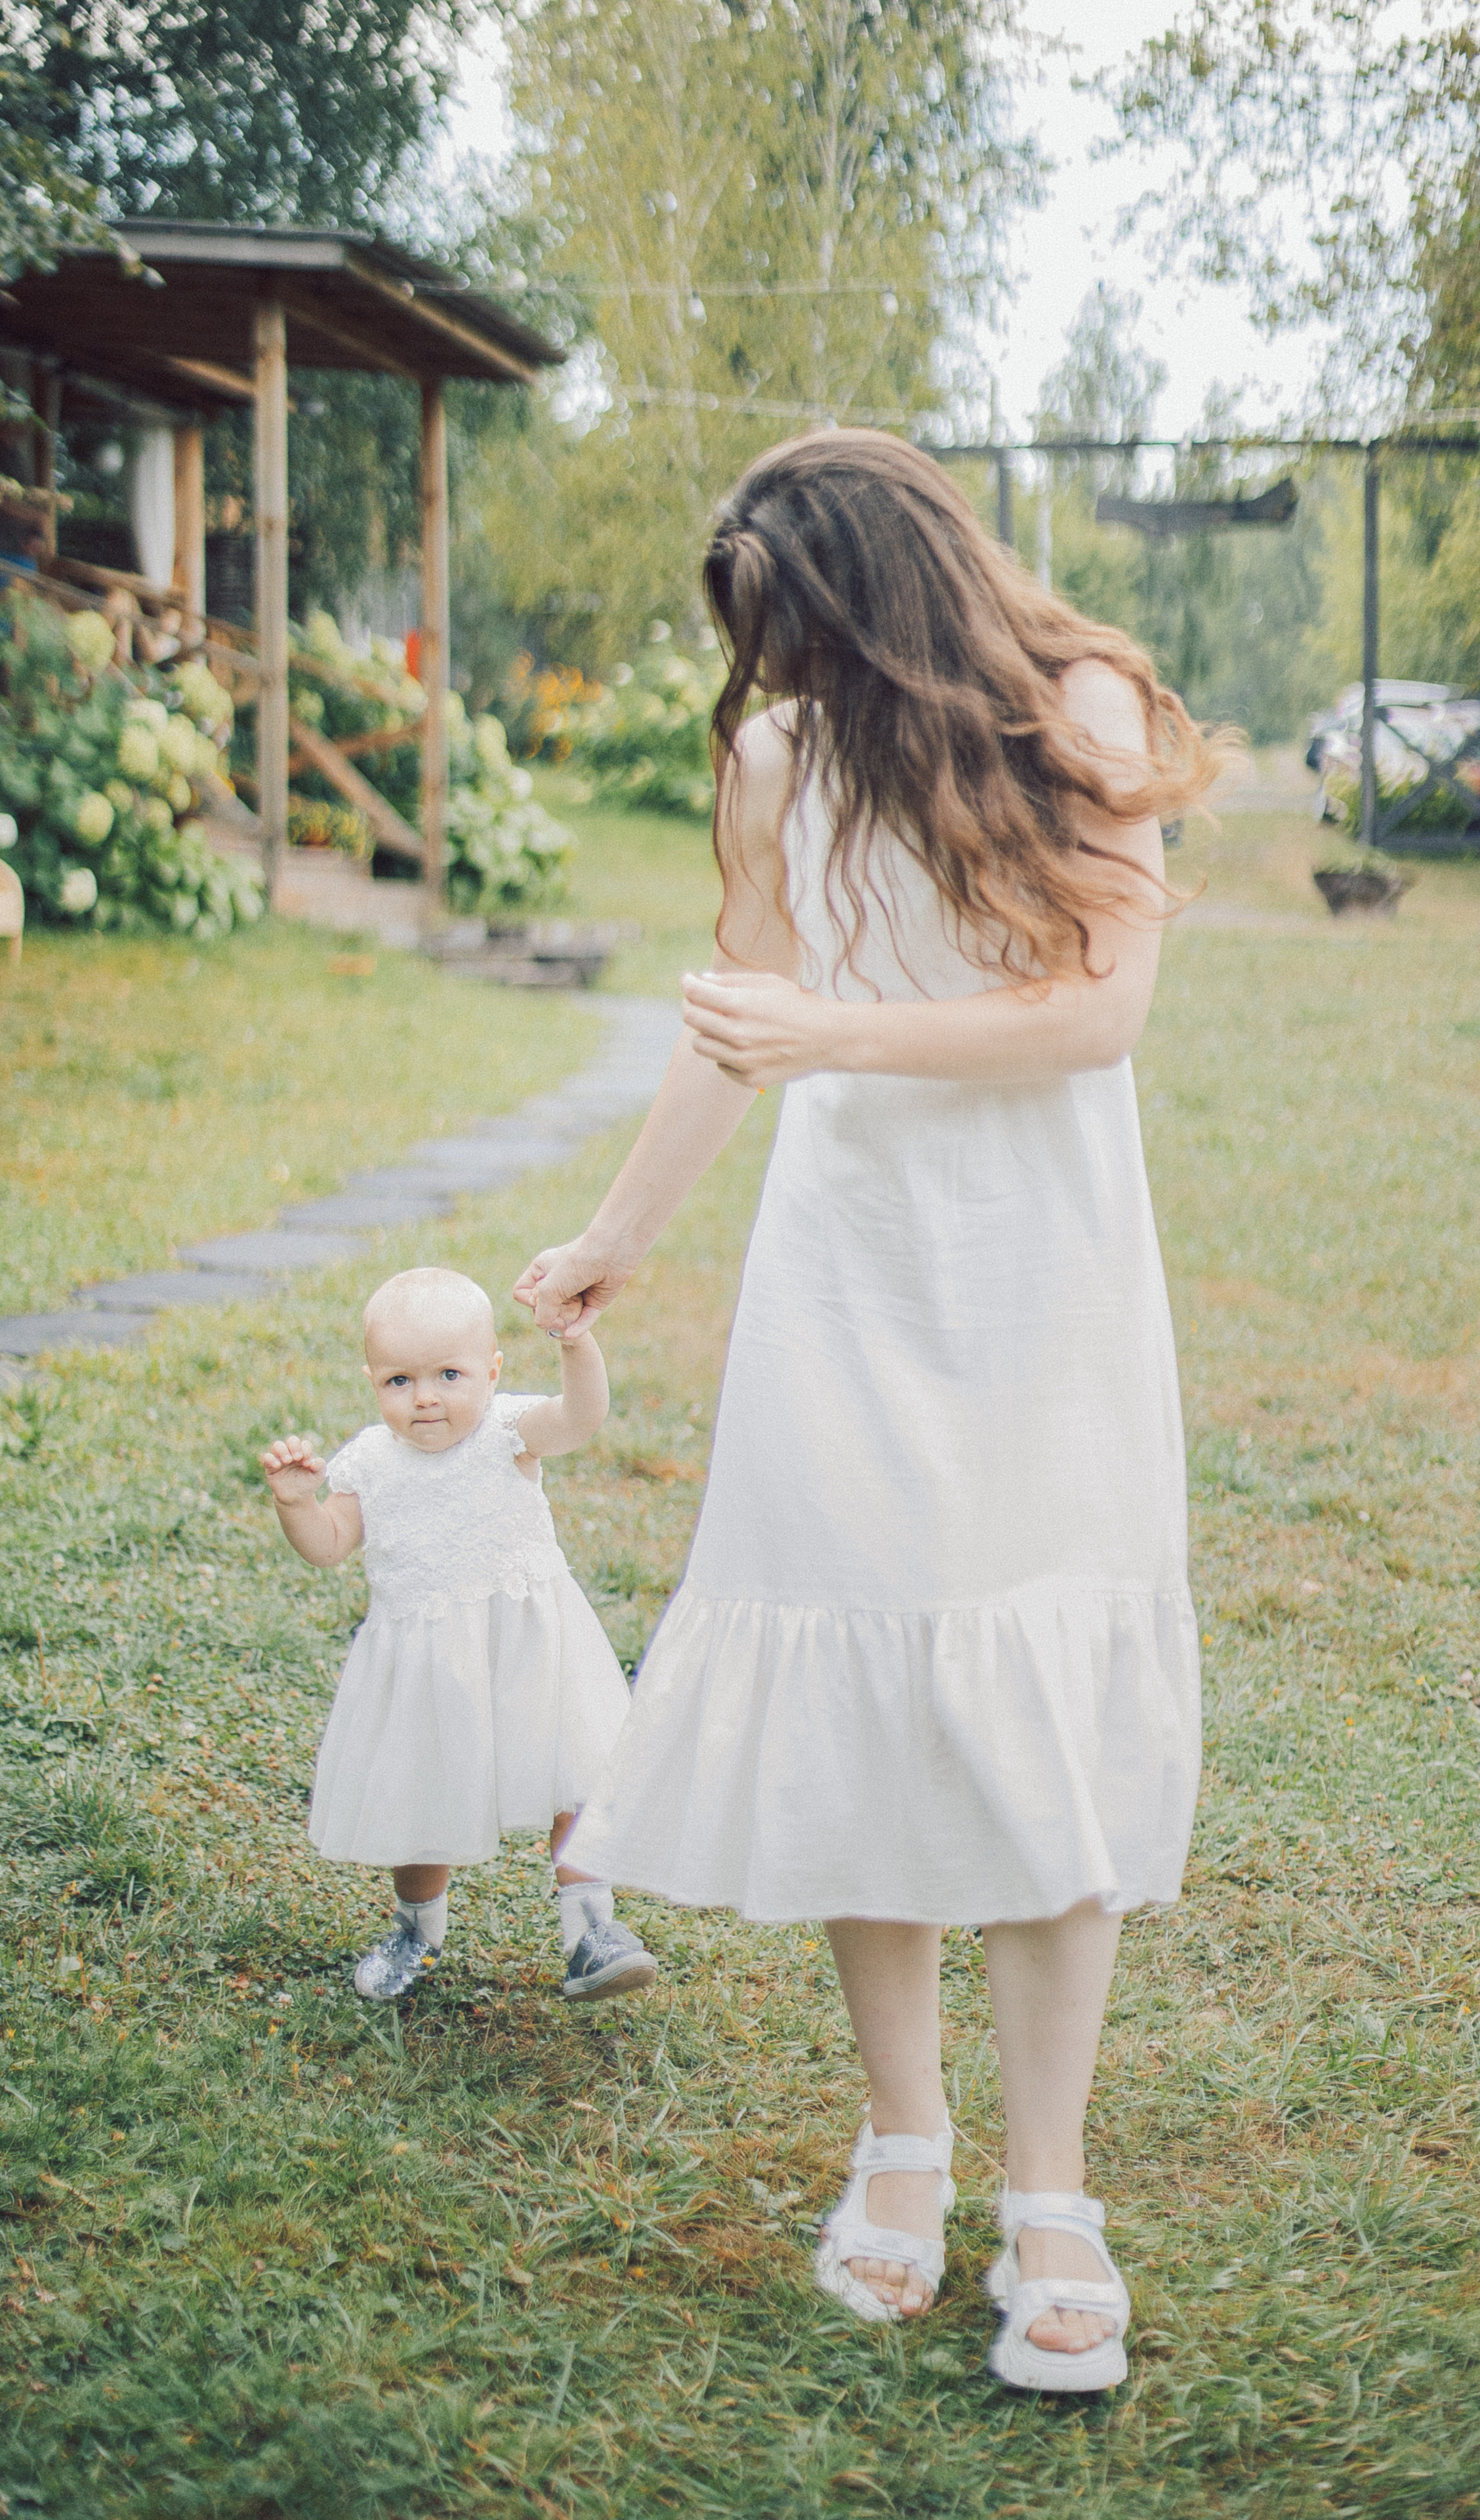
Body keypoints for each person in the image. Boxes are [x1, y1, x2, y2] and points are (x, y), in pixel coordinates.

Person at [514, 431, 1222, 2395]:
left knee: (1033, 1708)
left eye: (804, 634)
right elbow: (736, 1017)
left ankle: (1050, 2190)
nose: (783, 676)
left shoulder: (1077, 712)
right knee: (866, 1690)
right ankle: (901, 2135)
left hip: (1041, 1278)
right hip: (846, 1281)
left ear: (887, 596)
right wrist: (615, 1236)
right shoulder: (775, 759)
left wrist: (835, 1029)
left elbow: (1095, 1011)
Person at [260, 1267, 658, 2006]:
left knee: (572, 1779)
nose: (426, 1398)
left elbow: (581, 1418)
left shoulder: (509, 1433)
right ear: (373, 1383)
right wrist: (297, 1505)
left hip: (529, 1649)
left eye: (449, 1375)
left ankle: (592, 1930)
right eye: (399, 1381)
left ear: (492, 1372)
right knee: (419, 1797)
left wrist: (576, 1344)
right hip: (425, 1669)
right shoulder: (370, 1463)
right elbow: (328, 1544)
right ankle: (416, 1930)